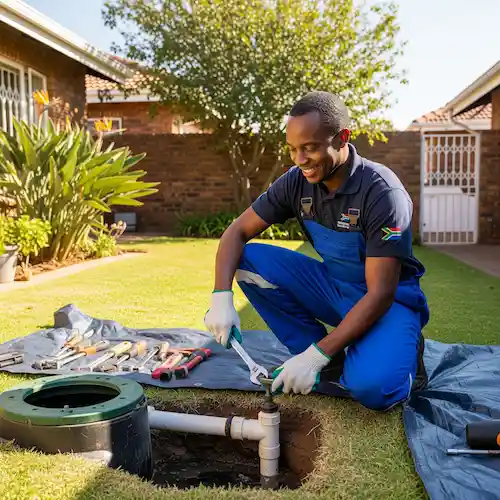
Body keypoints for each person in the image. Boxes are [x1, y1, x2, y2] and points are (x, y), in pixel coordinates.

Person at [204, 91, 429, 411]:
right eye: (293, 149)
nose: (299, 159)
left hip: (388, 302)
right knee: (248, 259)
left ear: (342, 138)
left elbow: (380, 294)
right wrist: (221, 297)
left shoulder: (382, 192)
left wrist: (314, 357)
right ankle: (331, 359)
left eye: (309, 148)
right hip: (334, 288)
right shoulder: (296, 182)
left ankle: (402, 357)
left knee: (373, 389)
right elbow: (236, 232)